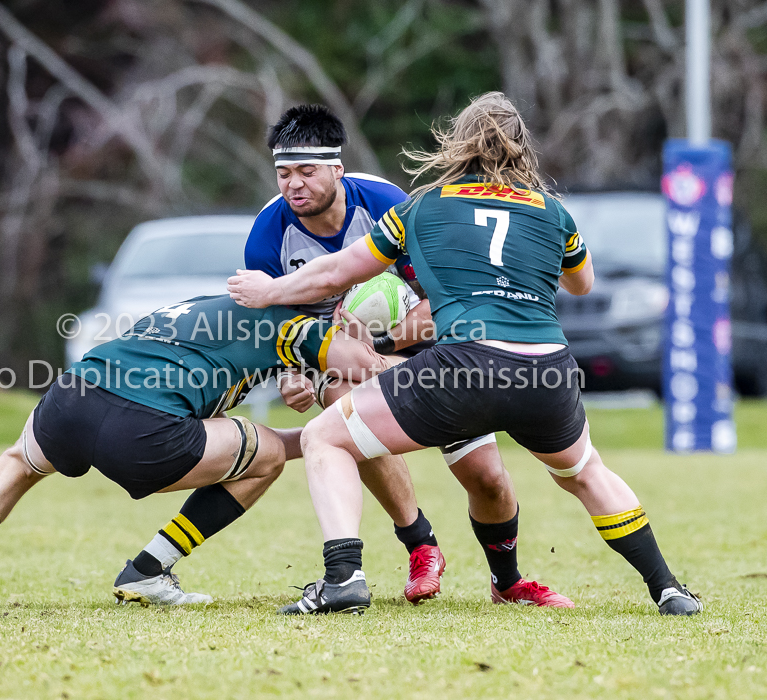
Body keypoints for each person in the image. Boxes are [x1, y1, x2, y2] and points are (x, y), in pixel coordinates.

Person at [228, 92, 703, 616]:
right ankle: (667, 588)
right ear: (522, 150)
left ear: (455, 144)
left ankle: (343, 578)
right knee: (588, 473)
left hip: (464, 370)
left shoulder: (424, 206)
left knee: (325, 437)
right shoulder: (553, 210)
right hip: (547, 374)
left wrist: (271, 291)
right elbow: (582, 283)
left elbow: (340, 271)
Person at [244, 103, 570, 607]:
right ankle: (420, 545)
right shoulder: (267, 235)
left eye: (307, 171)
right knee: (337, 392)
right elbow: (280, 323)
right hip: (337, 360)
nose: (294, 185)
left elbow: (442, 304)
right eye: (284, 173)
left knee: (485, 477)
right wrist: (292, 374)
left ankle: (508, 583)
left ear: (337, 168)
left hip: (436, 355)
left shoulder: (386, 203)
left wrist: (378, 344)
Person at [0, 295, 397, 609]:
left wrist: (303, 378)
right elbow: (365, 368)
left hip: (73, 393)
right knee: (266, 453)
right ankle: (147, 571)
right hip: (142, 429)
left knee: (18, 463)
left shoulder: (209, 306)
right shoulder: (293, 323)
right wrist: (364, 352)